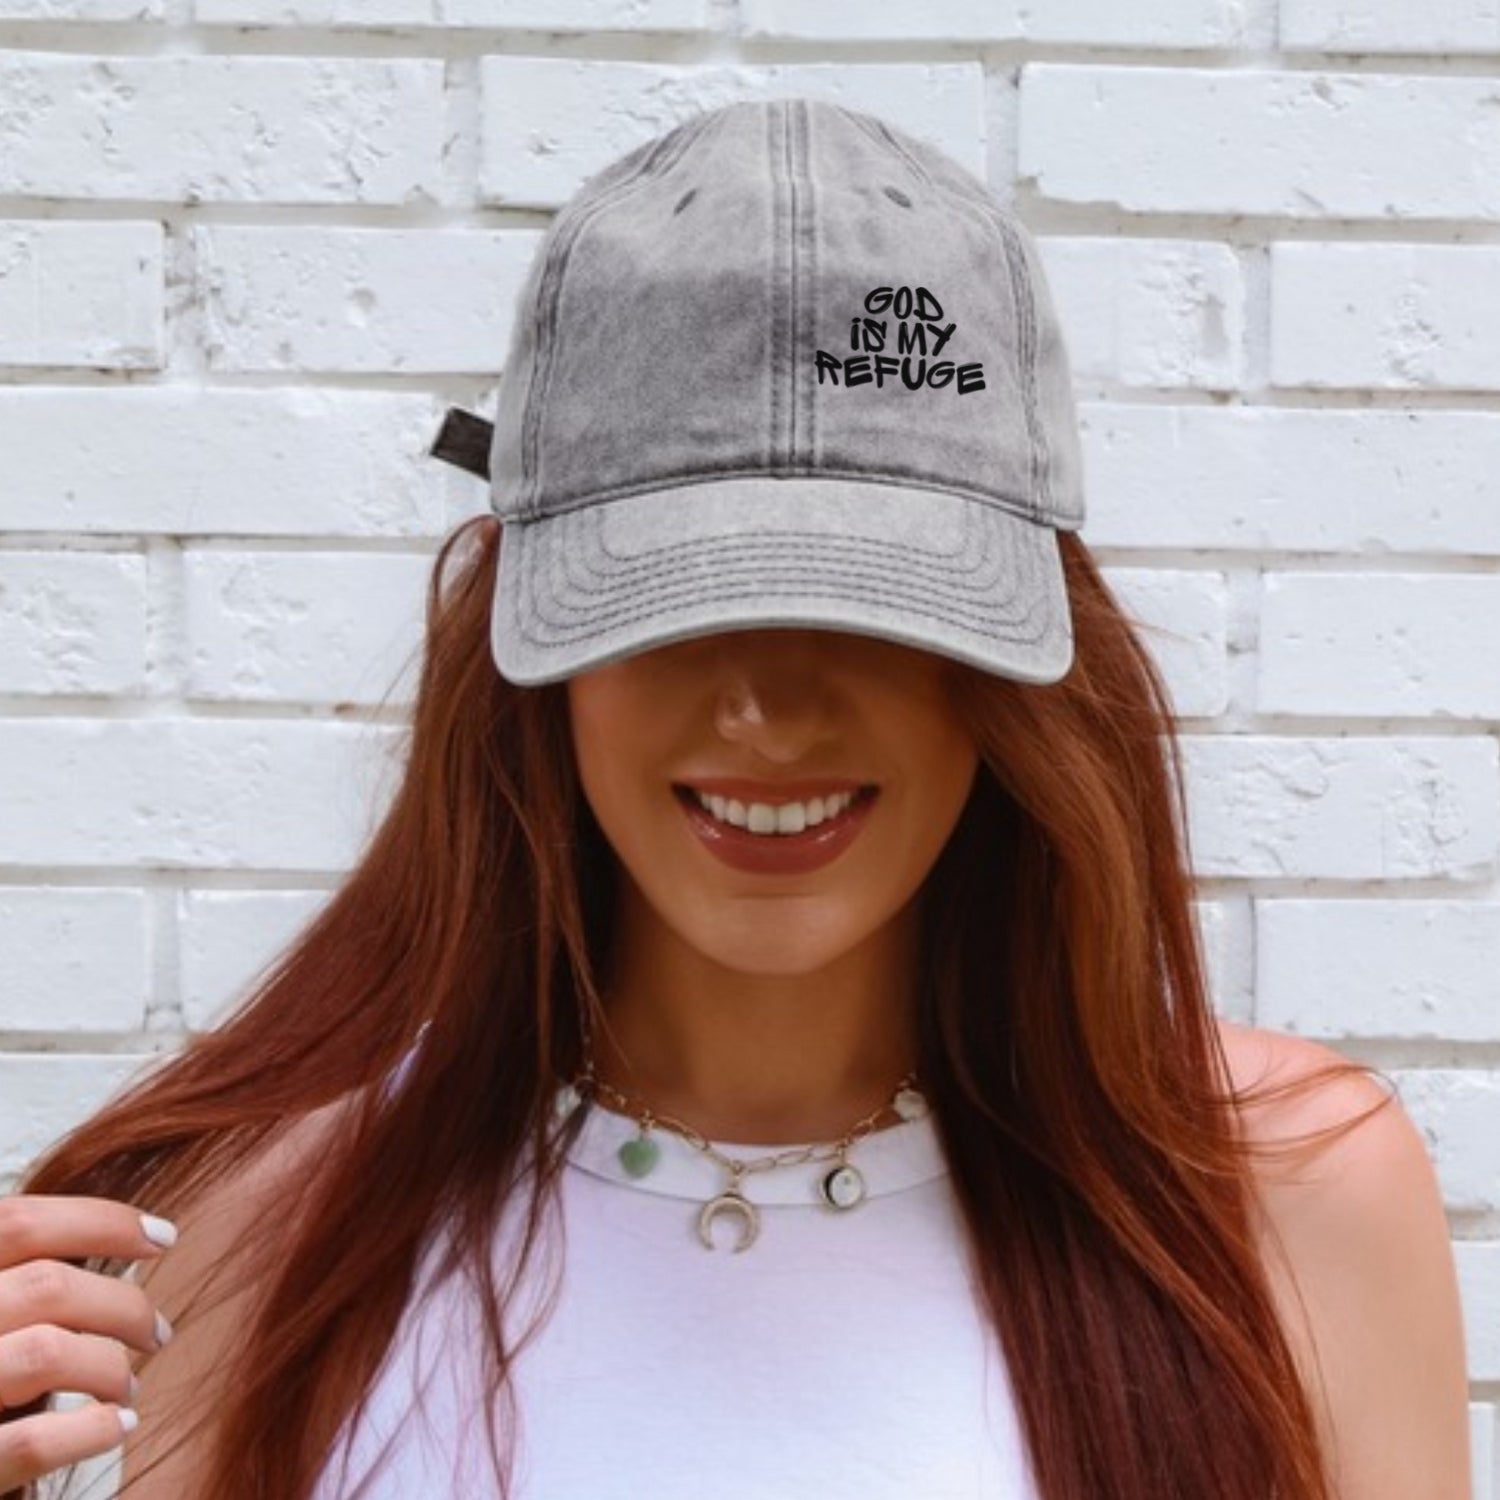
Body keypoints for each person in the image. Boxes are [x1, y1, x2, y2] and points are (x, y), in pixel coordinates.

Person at [0, 97, 1472, 1500]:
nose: (768, 711)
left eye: (876, 610)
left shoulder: (1291, 1192)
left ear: (1022, 657)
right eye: (674, 604)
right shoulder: (269, 1215)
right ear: (532, 638)